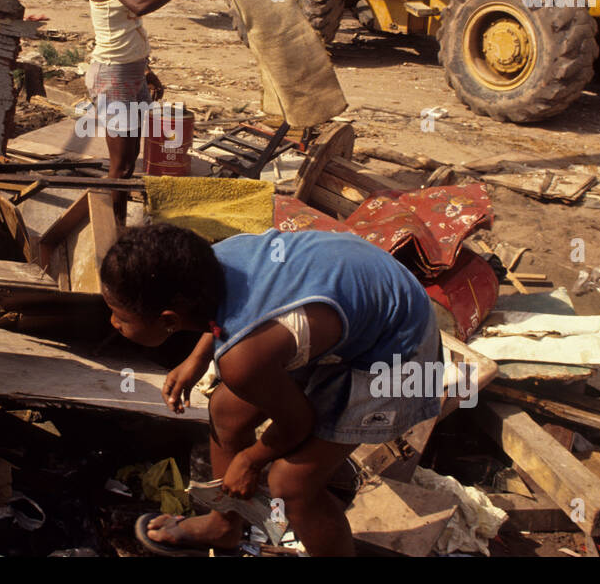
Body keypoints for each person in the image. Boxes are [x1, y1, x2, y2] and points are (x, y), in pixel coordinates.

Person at [100, 224, 445, 557]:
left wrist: (251, 461)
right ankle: (224, 527)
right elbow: (223, 310)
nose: (113, 323)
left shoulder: (245, 359)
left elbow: (298, 423)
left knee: (291, 486)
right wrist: (197, 359)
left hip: (397, 347)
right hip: (347, 302)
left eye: (120, 317)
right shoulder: (206, 263)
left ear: (169, 320)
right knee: (226, 411)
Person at [86, 0, 214, 206]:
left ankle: (116, 231)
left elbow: (127, 25)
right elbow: (138, 6)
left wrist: (144, 70)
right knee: (119, 168)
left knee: (130, 167)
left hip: (131, 75)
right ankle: (109, 236)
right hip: (113, 77)